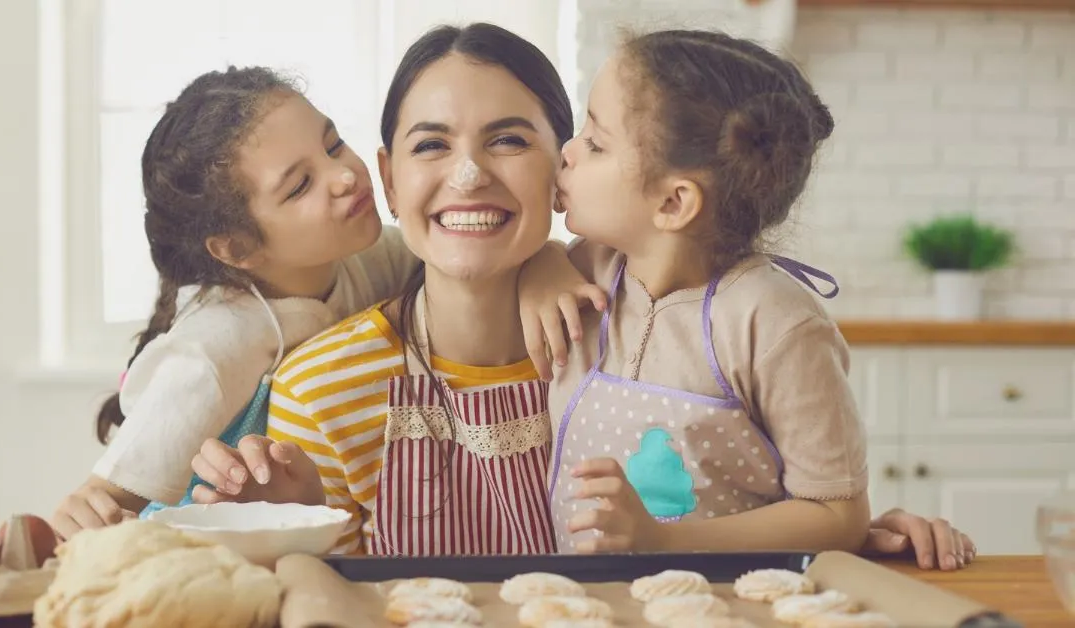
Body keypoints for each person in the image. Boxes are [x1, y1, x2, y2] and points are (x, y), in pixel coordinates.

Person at [193, 24, 976, 572]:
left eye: (510, 139)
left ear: (560, 174)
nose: (468, 175)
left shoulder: (615, 336)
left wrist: (855, 532)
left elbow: (722, 494)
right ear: (389, 178)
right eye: (431, 144)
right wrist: (291, 527)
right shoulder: (319, 392)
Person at [49, 63, 583, 541]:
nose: (345, 176)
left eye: (331, 145)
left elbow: (466, 249)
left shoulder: (370, 256)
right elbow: (111, 497)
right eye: (300, 185)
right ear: (238, 248)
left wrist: (549, 261)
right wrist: (83, 512)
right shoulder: (214, 347)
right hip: (219, 548)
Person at [533, 28, 975, 571]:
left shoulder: (774, 322)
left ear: (674, 202)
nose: (569, 151)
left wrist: (661, 541)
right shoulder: (587, 270)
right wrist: (541, 265)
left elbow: (837, 514)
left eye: (596, 143)